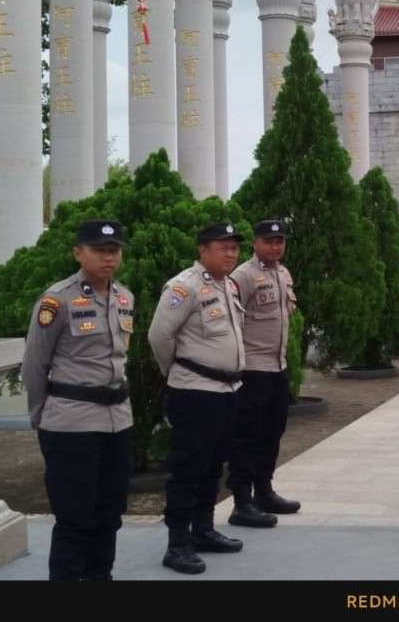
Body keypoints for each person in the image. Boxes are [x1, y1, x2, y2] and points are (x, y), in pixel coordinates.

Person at [20, 219, 136, 581]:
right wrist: (41, 416)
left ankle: (101, 576)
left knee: (110, 514)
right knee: (74, 518)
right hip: (71, 424)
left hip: (118, 421)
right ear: (78, 252)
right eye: (99, 250)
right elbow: (34, 364)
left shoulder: (124, 297)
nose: (108, 257)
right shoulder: (58, 300)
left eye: (114, 250)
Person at [147, 223, 248, 575]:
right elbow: (160, 336)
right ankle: (177, 544)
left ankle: (203, 530)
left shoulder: (228, 286)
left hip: (228, 391)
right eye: (224, 247)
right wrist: (176, 373)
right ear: (203, 250)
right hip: (195, 392)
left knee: (213, 465)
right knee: (188, 469)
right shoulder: (184, 287)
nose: (231, 253)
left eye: (235, 248)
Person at [226, 220, 301, 529]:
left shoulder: (283, 273)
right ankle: (242, 502)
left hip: (277, 368)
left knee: (272, 433)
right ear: (255, 243)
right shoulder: (243, 275)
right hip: (252, 371)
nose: (275, 246)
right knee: (247, 437)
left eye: (279, 241)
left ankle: (264, 491)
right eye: (269, 241)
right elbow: (231, 321)